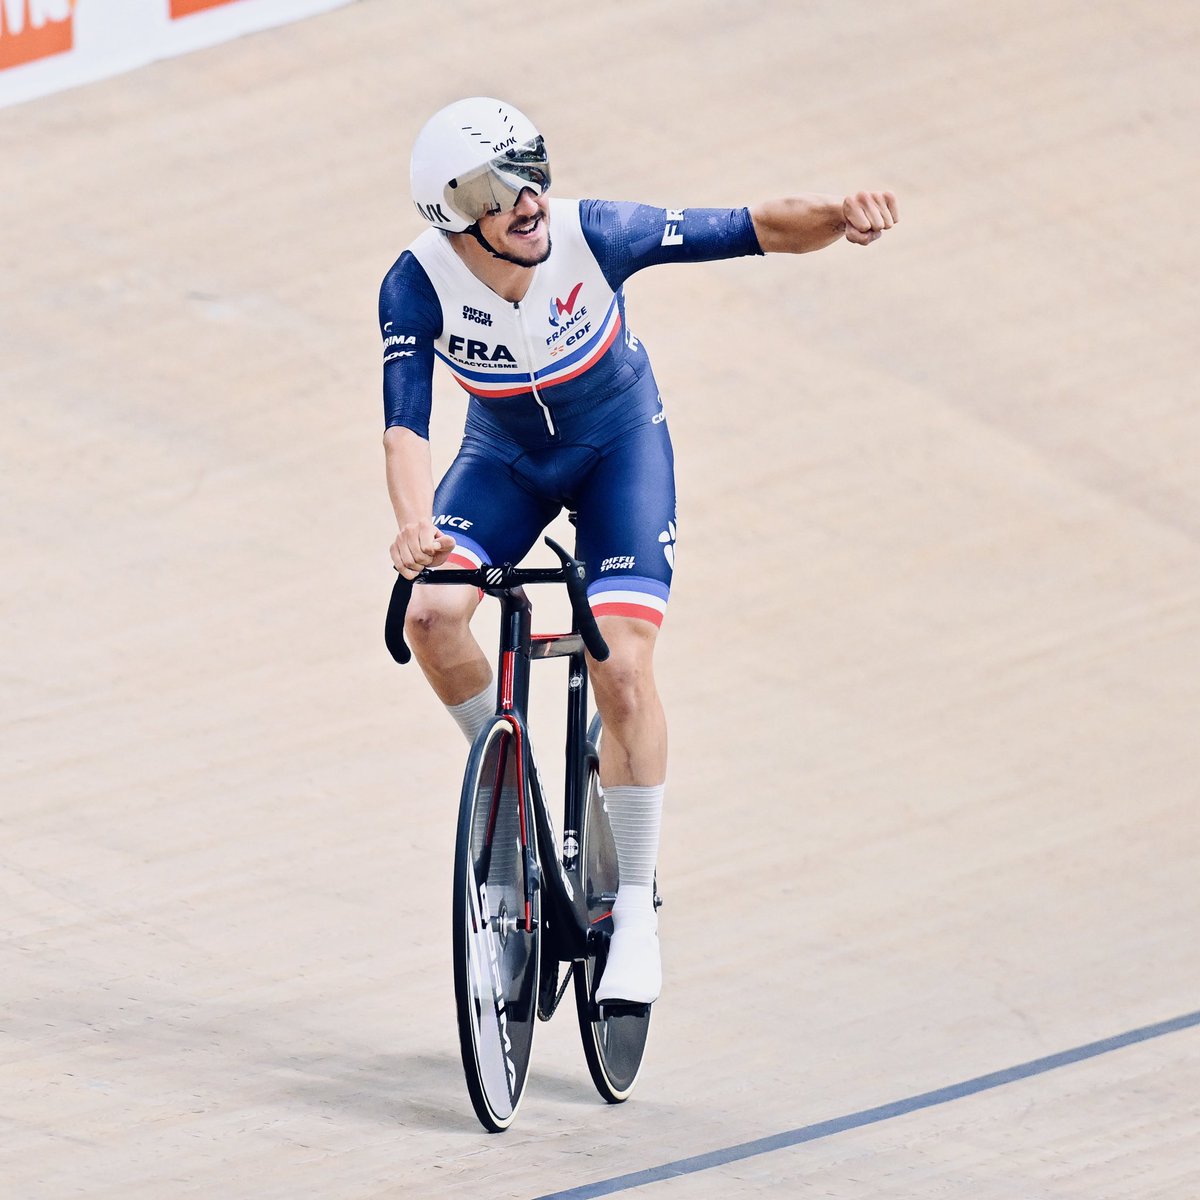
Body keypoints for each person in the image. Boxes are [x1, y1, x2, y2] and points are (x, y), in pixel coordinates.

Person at [380, 97, 898, 1005]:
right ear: (455, 215)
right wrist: (415, 524)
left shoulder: (596, 234)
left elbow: (747, 228)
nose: (530, 199)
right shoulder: (416, 285)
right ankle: (507, 803)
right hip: (502, 460)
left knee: (620, 668)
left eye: (533, 169)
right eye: (500, 190)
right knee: (431, 614)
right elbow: (404, 428)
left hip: (620, 450)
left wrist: (838, 213)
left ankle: (635, 906)